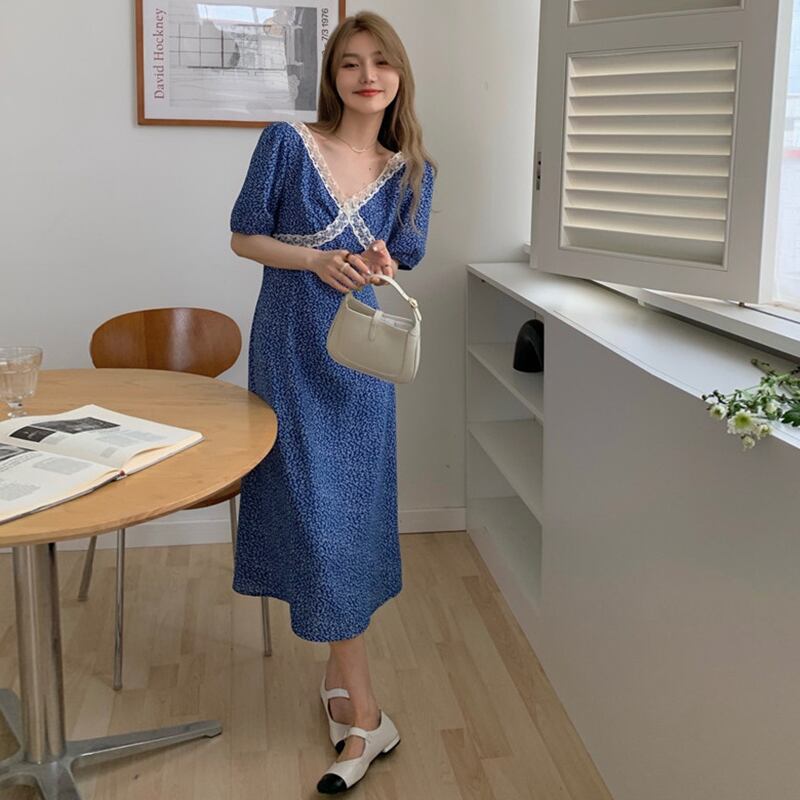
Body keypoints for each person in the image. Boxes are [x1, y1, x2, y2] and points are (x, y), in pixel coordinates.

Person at [228, 11, 437, 795]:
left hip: (358, 363)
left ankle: (350, 691)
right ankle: (367, 712)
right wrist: (314, 260)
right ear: (333, 77)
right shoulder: (287, 143)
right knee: (312, 516)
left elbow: (400, 261)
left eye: (381, 62)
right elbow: (245, 237)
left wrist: (377, 262)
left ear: (399, 76)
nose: (366, 75)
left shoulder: (414, 171)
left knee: (346, 518)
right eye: (350, 63)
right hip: (288, 351)